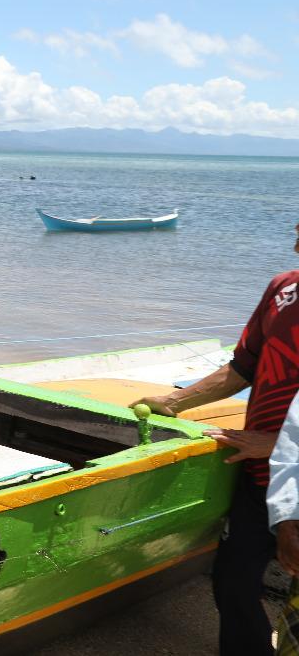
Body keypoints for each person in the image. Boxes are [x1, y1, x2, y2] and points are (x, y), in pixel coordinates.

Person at [133, 223, 299, 655]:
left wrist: (279, 445)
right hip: (260, 476)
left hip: (287, 467)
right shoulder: (284, 290)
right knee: (232, 583)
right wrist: (175, 402)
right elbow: (243, 366)